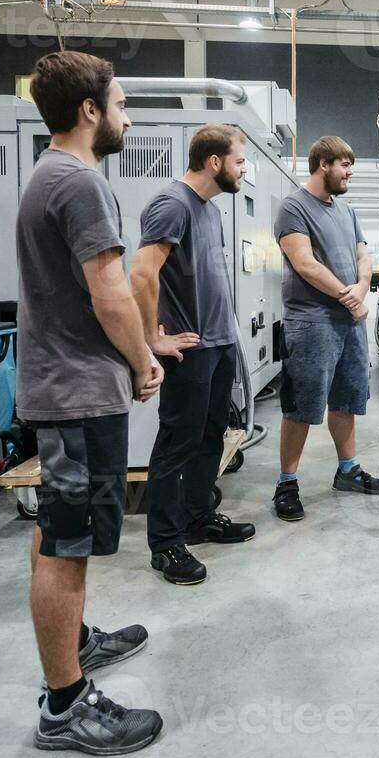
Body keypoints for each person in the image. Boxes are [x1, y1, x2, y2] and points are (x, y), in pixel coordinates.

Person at [18, 51, 166, 755]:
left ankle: (74, 645)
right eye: (122, 104)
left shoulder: (53, 175)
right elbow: (110, 293)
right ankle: (64, 706)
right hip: (77, 392)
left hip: (69, 388)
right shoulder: (78, 183)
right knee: (68, 542)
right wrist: (144, 360)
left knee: (62, 532)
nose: (127, 116)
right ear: (89, 111)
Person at [131, 124, 257, 586]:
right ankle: (165, 545)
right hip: (189, 348)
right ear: (214, 162)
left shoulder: (207, 209)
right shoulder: (172, 204)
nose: (244, 169)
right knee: (177, 444)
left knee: (211, 437)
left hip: (220, 342)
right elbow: (142, 275)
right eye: (240, 161)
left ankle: (199, 516)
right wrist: (153, 339)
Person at [272, 135, 379, 521]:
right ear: (323, 164)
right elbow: (304, 263)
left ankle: (348, 471)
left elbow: (363, 253)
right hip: (311, 323)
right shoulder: (293, 208)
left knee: (347, 398)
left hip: (348, 322)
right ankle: (287, 482)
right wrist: (349, 296)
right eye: (345, 165)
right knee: (302, 406)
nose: (350, 173)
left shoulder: (346, 210)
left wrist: (360, 288)